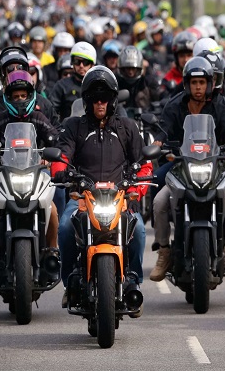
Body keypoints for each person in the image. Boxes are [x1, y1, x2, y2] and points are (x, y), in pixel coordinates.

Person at [51, 66, 152, 312]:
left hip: (120, 197)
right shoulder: (74, 126)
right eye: (95, 97)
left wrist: (135, 190)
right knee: (64, 227)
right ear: (86, 100)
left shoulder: (127, 127)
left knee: (138, 230)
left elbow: (144, 165)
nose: (100, 102)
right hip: (82, 197)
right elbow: (60, 157)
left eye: (104, 97)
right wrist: (62, 172)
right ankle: (69, 283)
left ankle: (133, 282)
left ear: (113, 99)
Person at [150, 57, 225, 284]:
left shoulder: (223, 105)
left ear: (210, 83)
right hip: (181, 165)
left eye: (202, 82)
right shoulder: (175, 104)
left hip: (217, 165)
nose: (198, 87)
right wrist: (157, 145)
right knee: (158, 198)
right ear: (186, 84)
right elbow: (163, 133)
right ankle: (164, 250)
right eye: (194, 83)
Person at [0, 70, 60, 270]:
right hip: (5, 172)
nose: (20, 100)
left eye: (23, 95)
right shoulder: (0, 118)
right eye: (15, 96)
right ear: (8, 97)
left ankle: (52, 250)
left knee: (53, 209)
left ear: (31, 95)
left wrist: (48, 158)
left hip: (36, 173)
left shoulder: (39, 117)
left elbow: (54, 137)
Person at [0, 46, 60, 132]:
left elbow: (58, 132)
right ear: (2, 73)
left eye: (20, 67)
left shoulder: (42, 103)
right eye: (10, 68)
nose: (16, 71)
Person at [49, 41, 96, 120]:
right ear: (72, 62)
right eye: (77, 61)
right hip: (68, 130)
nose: (81, 66)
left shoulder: (98, 86)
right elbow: (51, 111)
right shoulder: (61, 85)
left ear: (92, 65)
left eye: (85, 62)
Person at [162, 31, 198, 97]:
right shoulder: (168, 79)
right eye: (182, 56)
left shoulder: (201, 76)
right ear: (176, 58)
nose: (186, 59)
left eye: (189, 55)